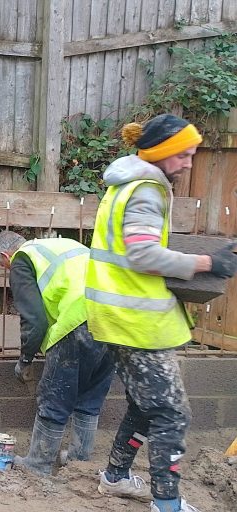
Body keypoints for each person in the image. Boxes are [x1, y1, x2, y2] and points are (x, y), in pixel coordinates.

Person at [85, 114, 237, 512]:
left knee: (143, 404)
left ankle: (116, 477)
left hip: (119, 314)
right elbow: (144, 255)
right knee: (172, 413)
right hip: (138, 321)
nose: (189, 162)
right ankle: (166, 504)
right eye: (184, 154)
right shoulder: (147, 191)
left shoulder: (124, 184)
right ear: (163, 153)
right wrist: (207, 264)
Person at [0, 230, 114, 476]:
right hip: (116, 316)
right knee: (89, 396)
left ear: (6, 256)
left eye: (4, 266)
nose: (8, 270)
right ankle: (79, 461)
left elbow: (35, 320)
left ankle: (38, 463)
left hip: (79, 318)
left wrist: (25, 359)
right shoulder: (63, 245)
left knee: (54, 397)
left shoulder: (22, 259)